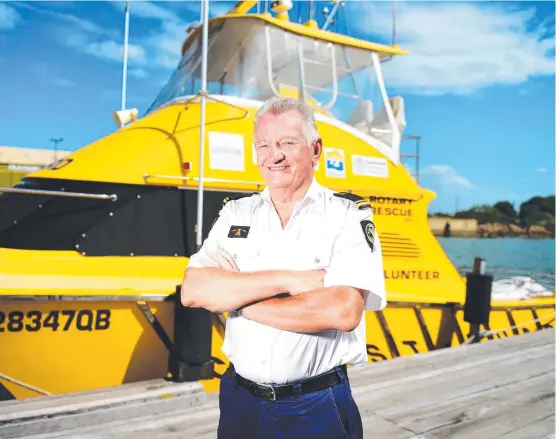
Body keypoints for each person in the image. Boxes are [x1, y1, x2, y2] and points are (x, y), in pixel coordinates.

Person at [181, 97, 386, 439]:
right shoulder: (236, 213)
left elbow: (343, 310)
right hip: (239, 401)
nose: (273, 155)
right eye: (263, 145)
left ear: (315, 149)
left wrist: (237, 298)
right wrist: (289, 280)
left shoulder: (347, 215)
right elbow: (194, 290)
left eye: (287, 143)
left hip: (314, 406)